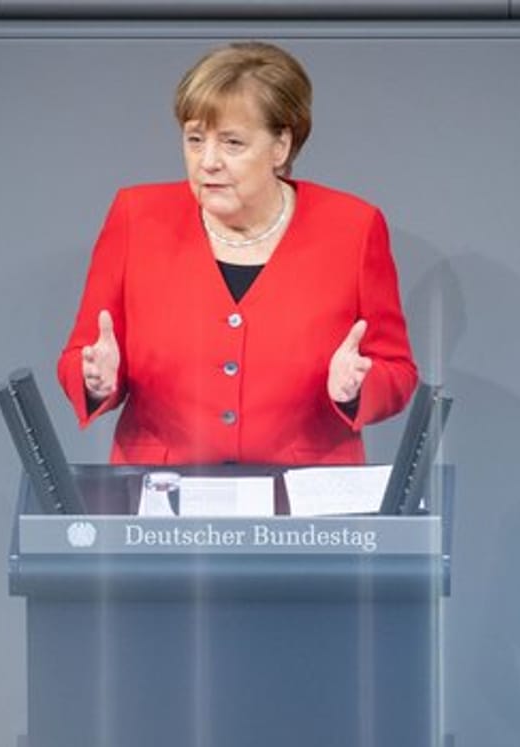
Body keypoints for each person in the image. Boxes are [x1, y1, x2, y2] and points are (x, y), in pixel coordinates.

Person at [57, 41, 417, 465]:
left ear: (280, 146)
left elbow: (397, 370)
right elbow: (80, 356)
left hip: (305, 500)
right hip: (162, 497)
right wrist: (95, 378)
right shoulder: (135, 217)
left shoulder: (353, 227)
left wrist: (361, 387)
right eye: (194, 139)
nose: (207, 161)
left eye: (232, 143)